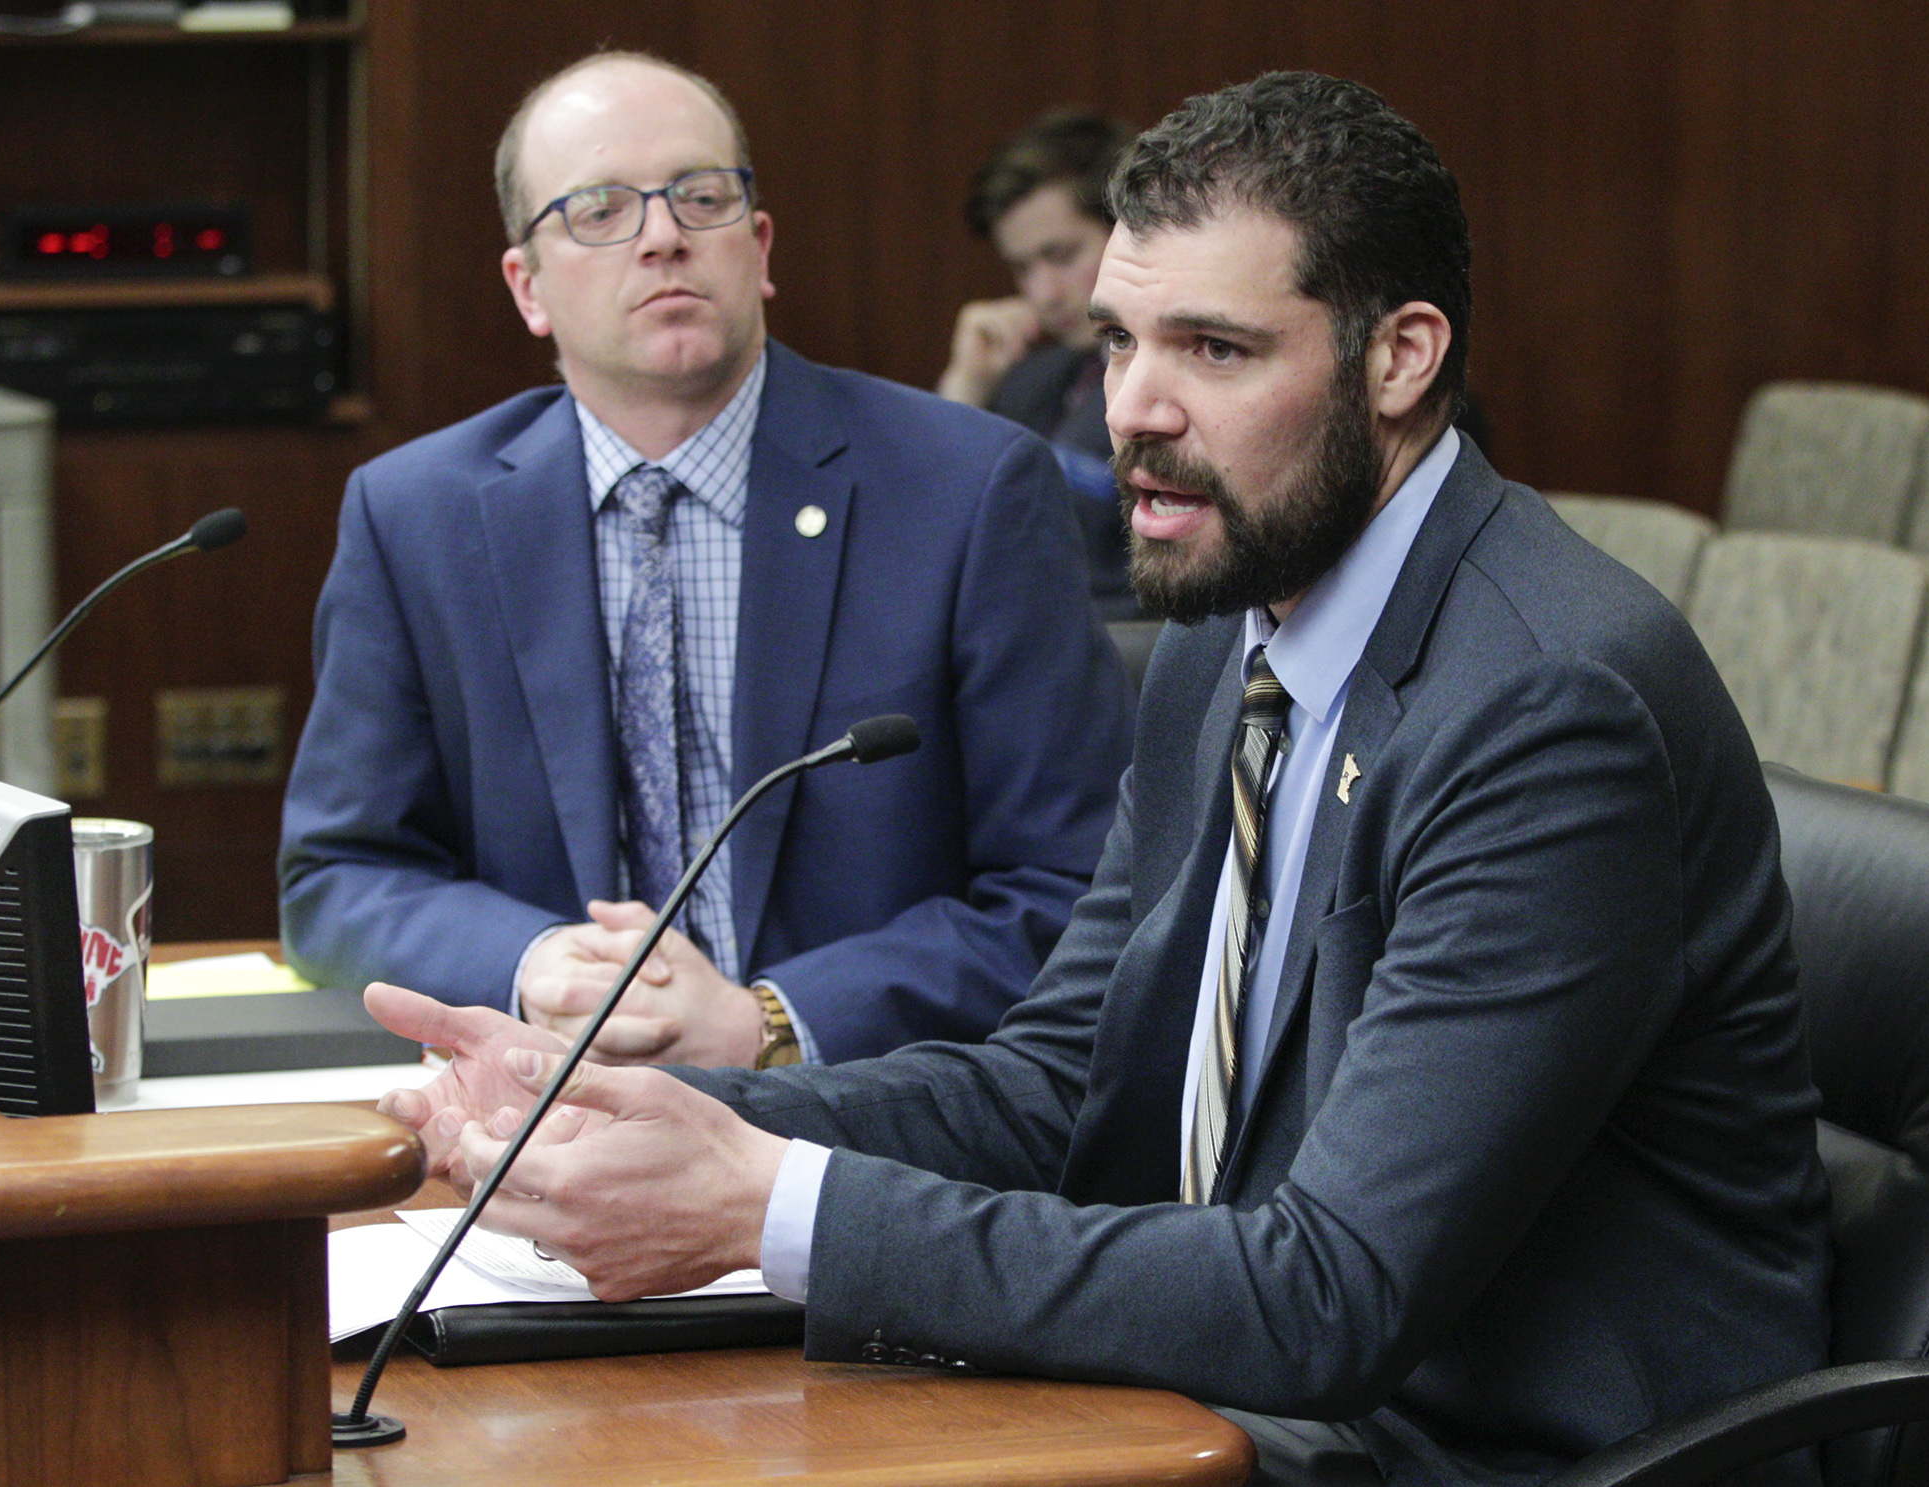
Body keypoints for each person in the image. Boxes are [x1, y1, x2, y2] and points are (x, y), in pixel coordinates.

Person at [369, 72, 1831, 1485]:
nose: (1133, 408)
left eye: (1215, 349)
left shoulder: (1543, 709)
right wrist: (646, 1113)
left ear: (1401, 357)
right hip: (1253, 1408)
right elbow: (1056, 1083)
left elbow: (1329, 1290)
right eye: (1120, 343)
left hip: (1495, 1450)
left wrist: (766, 1201)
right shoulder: (1227, 637)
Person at [279, 52, 1132, 1070]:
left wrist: (769, 1021)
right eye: (599, 209)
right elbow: (338, 876)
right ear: (528, 286)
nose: (663, 237)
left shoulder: (966, 487)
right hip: (546, 1120)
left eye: (701, 196)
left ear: (759, 247)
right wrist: (532, 959)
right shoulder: (417, 515)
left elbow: (1076, 887)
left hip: (862, 1137)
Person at [937, 111, 1139, 618]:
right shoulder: (1029, 379)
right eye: (1023, 267)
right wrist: (966, 388)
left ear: (1129, 230)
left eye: (1063, 255)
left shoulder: (1186, 375)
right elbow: (933, 533)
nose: (1043, 294)